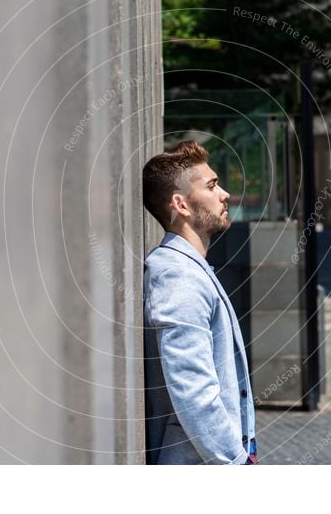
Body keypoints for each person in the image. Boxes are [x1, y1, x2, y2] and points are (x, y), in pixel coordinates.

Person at [142, 140, 257, 465]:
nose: (225, 194)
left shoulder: (189, 269)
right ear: (181, 205)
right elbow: (192, 389)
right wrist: (235, 462)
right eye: (212, 186)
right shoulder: (179, 277)